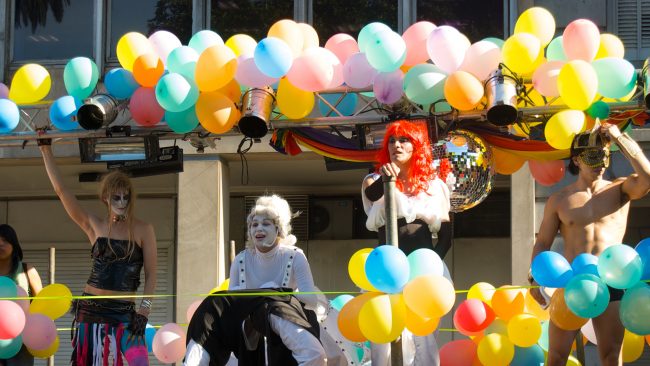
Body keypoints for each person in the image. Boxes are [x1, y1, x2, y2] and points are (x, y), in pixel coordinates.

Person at [529, 122, 650, 366]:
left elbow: (647, 178)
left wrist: (619, 139)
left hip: (612, 280)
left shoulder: (620, 189)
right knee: (556, 356)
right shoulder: (559, 200)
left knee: (610, 356)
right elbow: (542, 241)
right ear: (576, 160)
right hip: (570, 280)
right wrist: (534, 278)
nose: (601, 164)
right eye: (592, 157)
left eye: (604, 157)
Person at [39, 141, 157, 366]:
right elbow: (62, 192)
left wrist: (145, 311)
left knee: (139, 361)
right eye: (116, 197)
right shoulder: (94, 225)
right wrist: (45, 149)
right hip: (91, 310)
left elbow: (151, 274)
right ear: (105, 198)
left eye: (126, 197)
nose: (122, 202)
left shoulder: (143, 229)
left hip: (125, 312)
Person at [184, 194, 326, 366]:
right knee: (213, 303)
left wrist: (276, 293)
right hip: (247, 328)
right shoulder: (241, 259)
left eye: (266, 224)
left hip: (281, 319)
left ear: (278, 229)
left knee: (275, 310)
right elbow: (232, 302)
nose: (259, 228)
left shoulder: (295, 257)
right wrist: (260, 295)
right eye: (254, 224)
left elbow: (311, 300)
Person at [361, 120, 451, 366]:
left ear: (417, 147)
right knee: (383, 334)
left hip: (424, 270)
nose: (396, 145)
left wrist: (431, 266)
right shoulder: (373, 180)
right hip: (386, 269)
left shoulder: (435, 186)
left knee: (424, 337)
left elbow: (446, 235)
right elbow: (372, 196)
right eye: (392, 140)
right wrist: (389, 177)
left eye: (403, 140)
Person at [0, 224, 43, 366]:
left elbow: (42, 304)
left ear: (14, 245)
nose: (0, 243)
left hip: (22, 342)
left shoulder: (27, 270)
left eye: (5, 240)